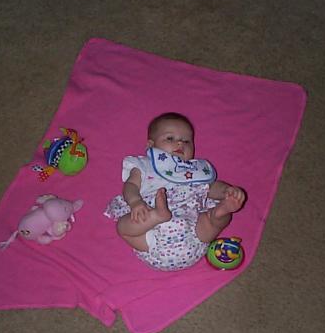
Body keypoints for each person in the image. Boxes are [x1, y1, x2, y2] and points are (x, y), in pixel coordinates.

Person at [104, 112, 245, 271]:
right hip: (150, 234)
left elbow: (210, 188)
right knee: (124, 227)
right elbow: (131, 186)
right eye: (170, 138)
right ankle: (157, 215)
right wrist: (136, 202)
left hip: (194, 233)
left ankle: (219, 213)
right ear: (150, 145)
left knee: (216, 219)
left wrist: (226, 191)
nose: (179, 143)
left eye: (186, 141)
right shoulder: (144, 166)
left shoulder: (193, 171)